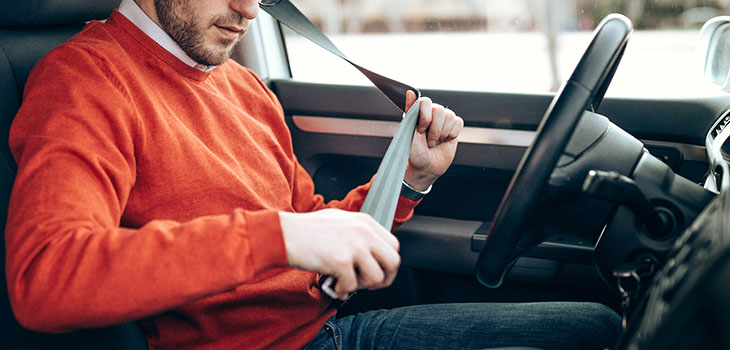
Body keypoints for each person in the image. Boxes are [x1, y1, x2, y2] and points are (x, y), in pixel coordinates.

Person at [5, 0, 622, 349]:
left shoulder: (243, 87)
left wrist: (406, 183)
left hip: (332, 332)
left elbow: (312, 231)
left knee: (599, 329)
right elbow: (47, 276)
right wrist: (277, 235)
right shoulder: (85, 81)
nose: (248, 9)